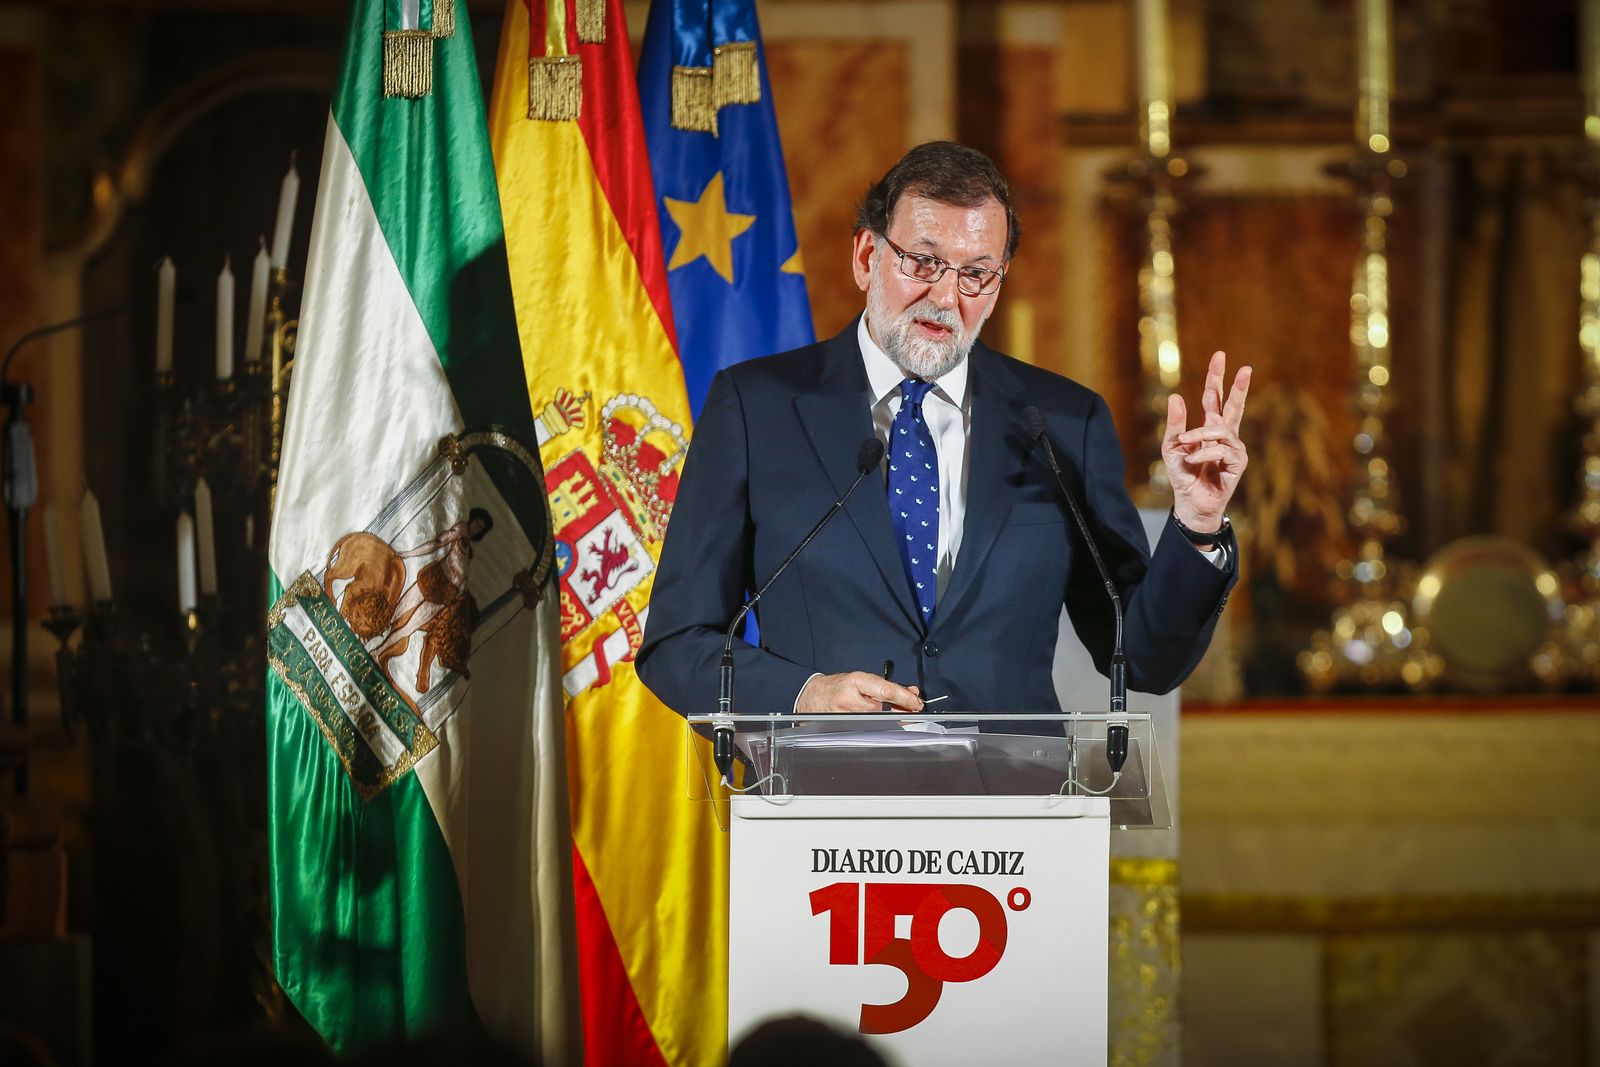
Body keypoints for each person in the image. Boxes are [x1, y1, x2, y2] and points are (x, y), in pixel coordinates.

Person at [636, 141, 1249, 719]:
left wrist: (1196, 525)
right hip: (823, 802)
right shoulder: (757, 408)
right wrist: (803, 694)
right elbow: (676, 643)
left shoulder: (1062, 422)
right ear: (867, 256)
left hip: (1015, 810)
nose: (946, 295)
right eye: (923, 261)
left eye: (976, 273)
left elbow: (1140, 658)